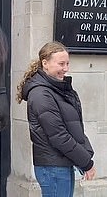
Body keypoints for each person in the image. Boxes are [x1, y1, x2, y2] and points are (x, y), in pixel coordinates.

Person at [16, 41, 96, 197]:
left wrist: (85, 156)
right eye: (61, 64)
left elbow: (74, 128)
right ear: (45, 63)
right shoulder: (41, 94)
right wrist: (86, 163)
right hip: (53, 168)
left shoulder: (56, 90)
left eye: (67, 63)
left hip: (61, 165)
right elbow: (59, 135)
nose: (65, 68)